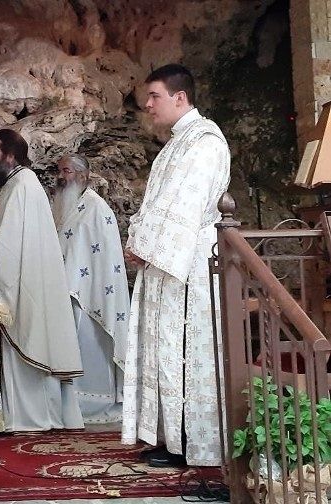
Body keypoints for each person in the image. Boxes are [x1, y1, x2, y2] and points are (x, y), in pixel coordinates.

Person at [122, 64, 230, 467]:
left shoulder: (205, 141)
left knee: (184, 349)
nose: (148, 105)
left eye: (155, 96)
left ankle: (190, 441)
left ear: (180, 97)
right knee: (164, 349)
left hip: (188, 264)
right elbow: (154, 204)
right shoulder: (175, 143)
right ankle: (169, 435)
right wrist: (139, 242)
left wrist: (146, 248)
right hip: (166, 262)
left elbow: (183, 206)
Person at [0, 128, 83, 431]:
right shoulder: (19, 183)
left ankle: (29, 418)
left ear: (10, 156)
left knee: (27, 341)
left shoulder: (22, 185)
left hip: (23, 284)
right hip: (28, 280)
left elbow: (8, 248)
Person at [52, 154, 129, 424]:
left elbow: (106, 256)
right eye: (60, 171)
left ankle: (92, 405)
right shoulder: (65, 204)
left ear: (83, 175)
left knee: (90, 348)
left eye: (66, 171)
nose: (61, 177)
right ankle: (69, 405)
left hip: (91, 295)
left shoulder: (97, 209)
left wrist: (90, 288)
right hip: (67, 291)